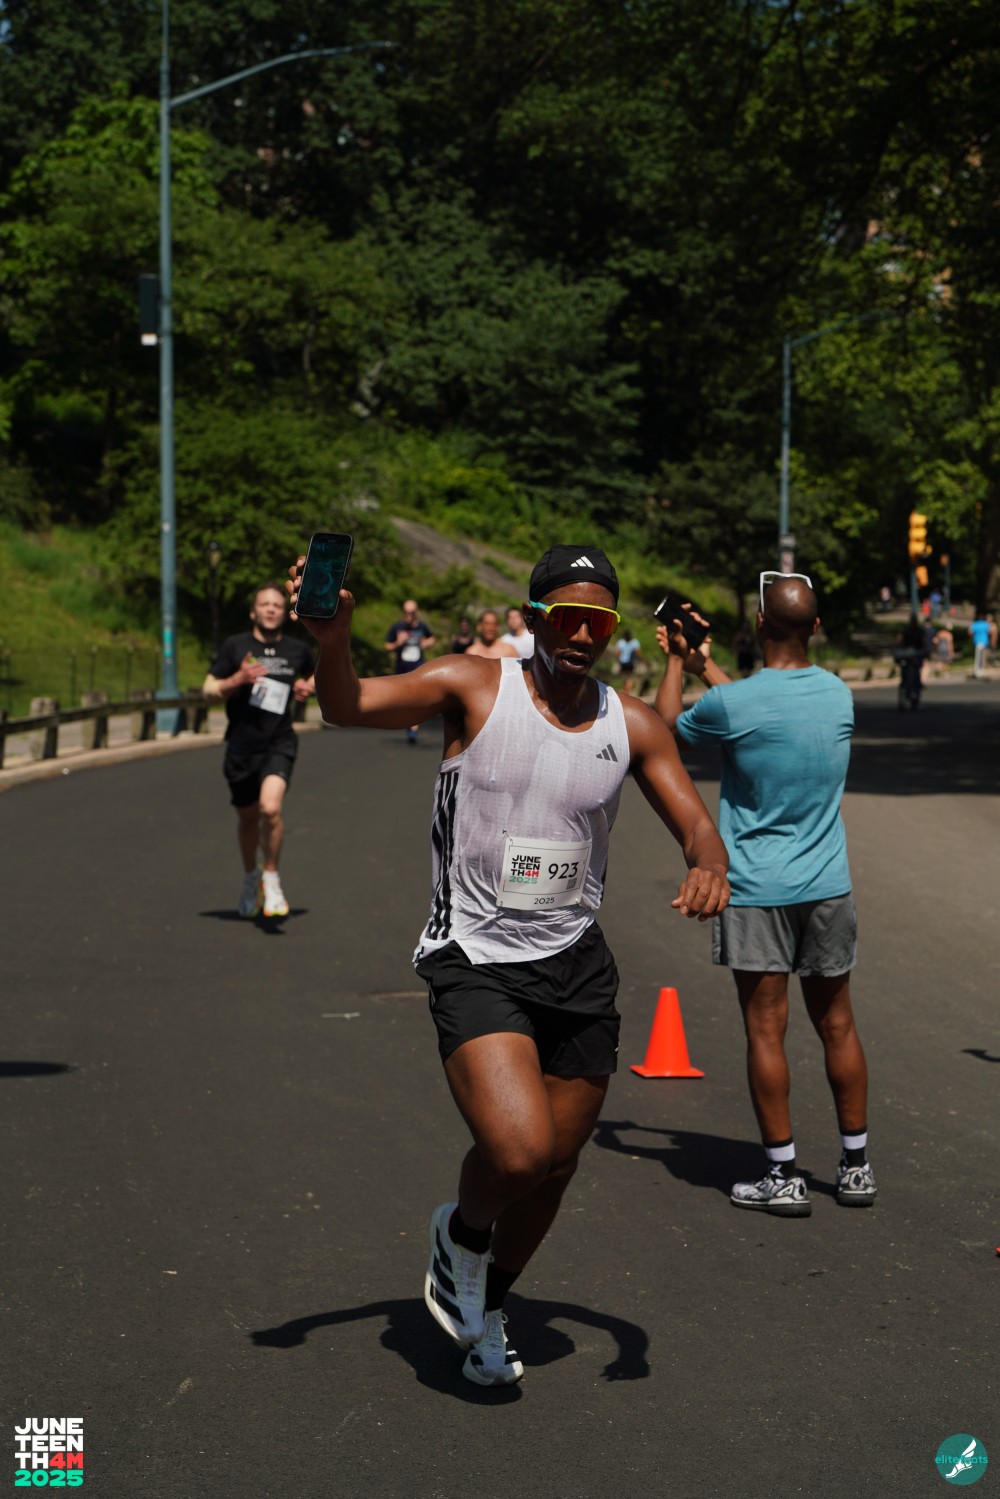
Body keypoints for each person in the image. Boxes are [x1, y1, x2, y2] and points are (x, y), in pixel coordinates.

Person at [288, 542, 729, 1386]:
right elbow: (347, 704)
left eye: (599, 621)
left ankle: (488, 1304)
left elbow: (697, 824)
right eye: (566, 616)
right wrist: (333, 639)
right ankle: (459, 1234)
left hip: (576, 962)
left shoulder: (632, 723)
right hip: (475, 955)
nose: (582, 634)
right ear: (532, 619)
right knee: (520, 1153)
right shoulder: (473, 686)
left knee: (555, 1168)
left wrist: (709, 862)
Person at [654, 574, 875, 1219]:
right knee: (838, 1025)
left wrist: (678, 661)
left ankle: (783, 1175)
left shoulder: (734, 705)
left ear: (758, 623)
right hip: (828, 887)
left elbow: (664, 730)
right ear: (816, 626)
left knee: (766, 1030)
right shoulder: (838, 695)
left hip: (758, 891)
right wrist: (707, 665)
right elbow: (762, 709)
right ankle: (856, 1167)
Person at [202, 584, 315, 918]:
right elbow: (208, 690)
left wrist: (308, 686)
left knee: (270, 809)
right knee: (248, 819)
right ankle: (251, 877)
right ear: (253, 612)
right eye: (264, 604)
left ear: (284, 612)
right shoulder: (235, 646)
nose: (270, 609)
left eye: (277, 605)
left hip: (279, 742)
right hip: (240, 748)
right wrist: (237, 679)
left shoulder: (297, 649)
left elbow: (317, 676)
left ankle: (272, 876)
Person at [385, 600, 437, 742]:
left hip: (418, 667)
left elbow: (432, 638)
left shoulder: (422, 627)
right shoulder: (397, 627)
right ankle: (408, 722)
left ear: (416, 613)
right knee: (404, 700)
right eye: (406, 612)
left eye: (412, 613)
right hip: (402, 668)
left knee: (416, 699)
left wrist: (427, 643)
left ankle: (413, 728)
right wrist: (398, 643)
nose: (409, 615)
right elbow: (387, 646)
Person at [612, 629, 643, 694]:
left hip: (622, 663)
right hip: (631, 663)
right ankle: (628, 692)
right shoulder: (634, 642)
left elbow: (617, 653)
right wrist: (640, 661)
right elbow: (638, 653)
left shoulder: (620, 642)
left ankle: (626, 692)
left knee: (625, 678)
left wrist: (618, 659)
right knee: (630, 678)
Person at [969, 611, 991, 678]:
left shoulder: (974, 624)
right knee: (982, 657)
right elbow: (989, 632)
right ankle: (981, 670)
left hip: (977, 642)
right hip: (984, 642)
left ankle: (977, 670)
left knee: (977, 657)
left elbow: (970, 632)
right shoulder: (986, 624)